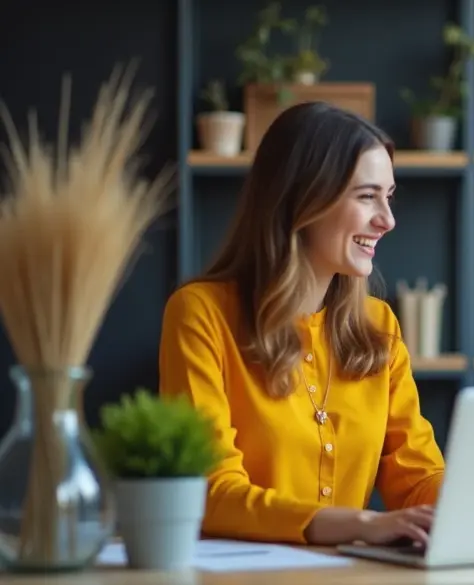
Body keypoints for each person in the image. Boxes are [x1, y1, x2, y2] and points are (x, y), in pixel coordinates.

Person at [159, 102, 443, 546]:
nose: (387, 220)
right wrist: (359, 523)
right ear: (302, 199)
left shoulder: (379, 325)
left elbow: (417, 476)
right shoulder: (201, 314)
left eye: (388, 196)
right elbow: (209, 491)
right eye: (367, 196)